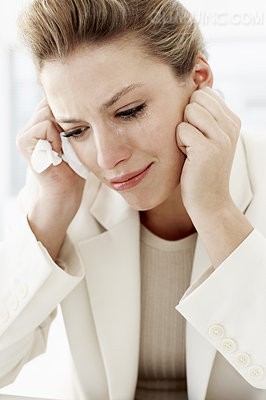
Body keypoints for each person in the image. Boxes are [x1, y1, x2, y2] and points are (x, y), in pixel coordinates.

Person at [0, 0, 266, 399]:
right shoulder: (66, 194)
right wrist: (49, 214)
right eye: (76, 130)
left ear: (199, 78)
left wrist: (215, 209)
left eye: (129, 111)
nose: (107, 158)